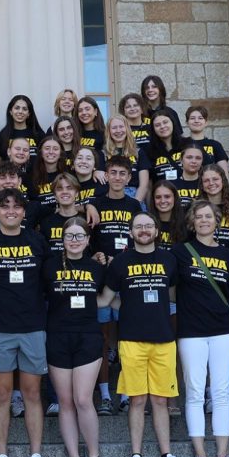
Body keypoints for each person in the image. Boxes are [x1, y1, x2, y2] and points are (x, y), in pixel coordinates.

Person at [98, 212, 189, 457]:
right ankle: (135, 456)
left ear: (157, 231)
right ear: (131, 232)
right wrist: (124, 306)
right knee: (137, 400)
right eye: (139, 227)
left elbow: (171, 296)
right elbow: (105, 299)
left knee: (160, 400)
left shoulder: (168, 260)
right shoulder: (120, 263)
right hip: (131, 339)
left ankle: (166, 455)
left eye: (149, 226)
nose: (144, 230)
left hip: (163, 339)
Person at [0, 189, 53, 457]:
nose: (11, 211)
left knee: (33, 393)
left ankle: (36, 456)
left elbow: (48, 281)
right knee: (2, 394)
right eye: (5, 206)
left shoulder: (36, 241)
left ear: (24, 212)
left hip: (32, 326)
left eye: (17, 207)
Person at [175, 200, 229, 457]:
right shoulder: (180, 252)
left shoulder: (227, 255)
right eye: (198, 217)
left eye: (209, 217)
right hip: (191, 332)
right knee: (194, 393)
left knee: (222, 392)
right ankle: (200, 454)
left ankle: (222, 454)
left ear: (217, 221)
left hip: (224, 330)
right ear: (192, 222)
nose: (204, 221)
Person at [44, 217, 109, 457]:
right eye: (69, 235)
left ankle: (94, 455)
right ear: (62, 239)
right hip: (58, 337)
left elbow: (105, 299)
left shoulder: (97, 268)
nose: (74, 240)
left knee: (83, 399)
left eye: (79, 235)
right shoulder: (49, 267)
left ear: (87, 239)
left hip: (88, 336)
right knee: (66, 401)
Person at [88, 156, 142, 415]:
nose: (118, 177)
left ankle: (125, 393)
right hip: (101, 279)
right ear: (106, 175)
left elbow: (142, 239)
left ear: (129, 178)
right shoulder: (95, 203)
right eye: (113, 172)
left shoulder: (135, 205)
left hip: (127, 279)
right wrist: (94, 256)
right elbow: (85, 237)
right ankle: (106, 395)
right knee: (102, 337)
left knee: (126, 338)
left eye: (123, 173)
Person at [104, 114, 148, 201]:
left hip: (135, 196)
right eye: (114, 128)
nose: (118, 130)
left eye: (121, 126)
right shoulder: (103, 154)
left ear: (127, 129)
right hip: (110, 197)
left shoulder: (138, 152)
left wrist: (135, 204)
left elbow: (144, 185)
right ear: (109, 131)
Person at [139, 110, 186, 185]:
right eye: (157, 125)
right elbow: (149, 181)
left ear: (173, 123)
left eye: (165, 122)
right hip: (162, 194)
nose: (162, 126)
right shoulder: (149, 151)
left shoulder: (187, 144)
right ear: (153, 129)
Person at [198, 164, 229, 248]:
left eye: (215, 179)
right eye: (206, 181)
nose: (211, 183)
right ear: (202, 185)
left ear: (223, 181)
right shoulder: (195, 209)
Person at [0, 94, 42, 161]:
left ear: (29, 114)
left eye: (24, 109)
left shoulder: (38, 134)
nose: (20, 112)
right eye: (17, 108)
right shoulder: (2, 136)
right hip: (10, 171)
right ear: (10, 111)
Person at [184, 105, 229, 174]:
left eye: (200, 118)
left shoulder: (215, 145)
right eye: (192, 118)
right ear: (187, 122)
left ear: (206, 122)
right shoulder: (182, 144)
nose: (196, 121)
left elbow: (224, 173)